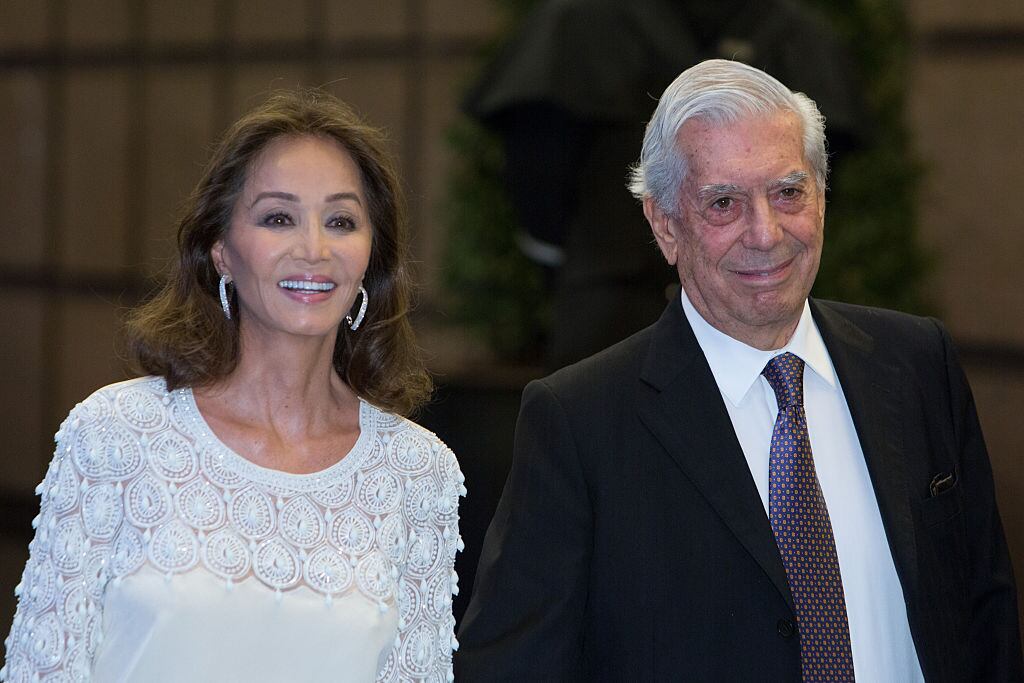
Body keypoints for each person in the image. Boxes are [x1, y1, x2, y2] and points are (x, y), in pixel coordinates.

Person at [455, 60, 1022, 681]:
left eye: (788, 192)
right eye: (724, 203)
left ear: (823, 195)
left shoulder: (917, 364)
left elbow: (987, 617)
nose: (766, 232)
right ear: (664, 225)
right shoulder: (580, 423)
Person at [1, 90, 464, 682]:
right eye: (278, 218)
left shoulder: (419, 473)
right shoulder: (114, 436)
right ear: (220, 251)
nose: (314, 250)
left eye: (342, 221)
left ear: (372, 258)